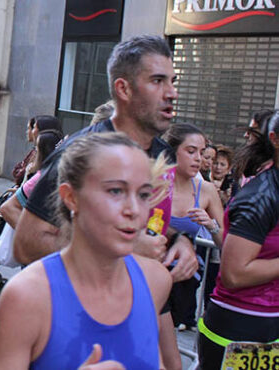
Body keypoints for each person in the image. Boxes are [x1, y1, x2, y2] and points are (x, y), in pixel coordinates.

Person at [12, 35, 198, 370]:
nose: (172, 92)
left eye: (173, 81)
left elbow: (152, 224)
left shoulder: (163, 154)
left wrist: (180, 242)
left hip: (144, 294)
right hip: (77, 311)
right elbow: (26, 245)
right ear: (124, 90)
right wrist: (123, 247)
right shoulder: (80, 153)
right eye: (157, 81)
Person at [0, 132, 172, 369]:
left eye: (144, 195)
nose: (134, 210)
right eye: (115, 191)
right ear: (71, 197)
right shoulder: (29, 296)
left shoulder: (154, 280)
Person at [197, 111, 279, 369]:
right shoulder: (259, 197)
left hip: (269, 325)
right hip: (240, 326)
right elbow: (234, 273)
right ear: (275, 139)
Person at [162, 123, 224, 332]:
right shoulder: (155, 183)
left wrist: (210, 225)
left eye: (202, 152)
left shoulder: (206, 191)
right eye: (191, 151)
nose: (199, 158)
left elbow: (226, 242)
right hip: (151, 274)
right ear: (172, 151)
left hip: (184, 281)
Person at [0, 127, 64, 228]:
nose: (34, 154)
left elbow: (7, 208)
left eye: (36, 149)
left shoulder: (42, 176)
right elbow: (8, 207)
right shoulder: (43, 175)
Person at [12, 115, 61, 186]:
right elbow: (16, 171)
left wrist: (26, 172)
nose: (31, 131)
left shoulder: (45, 171)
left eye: (34, 127)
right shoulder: (35, 152)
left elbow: (20, 178)